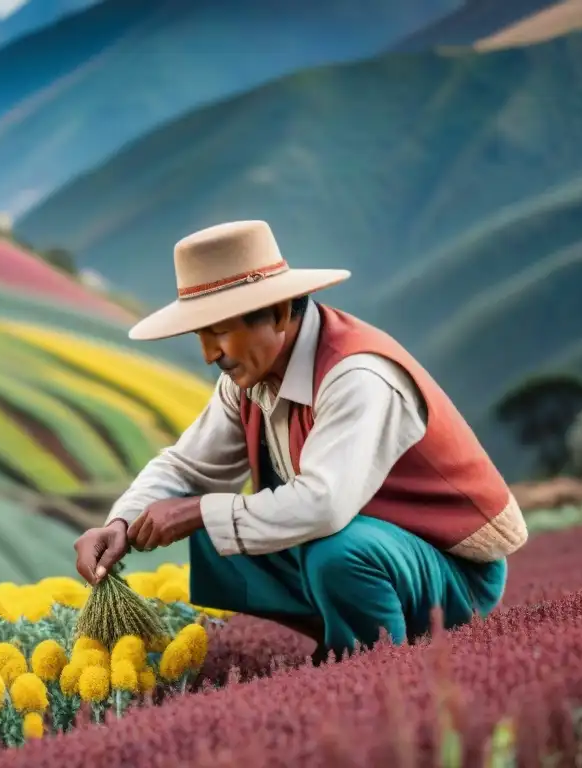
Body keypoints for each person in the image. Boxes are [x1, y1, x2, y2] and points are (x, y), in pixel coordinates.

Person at [73, 219, 528, 662]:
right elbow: (187, 467)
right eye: (201, 334)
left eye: (219, 331)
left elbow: (324, 504)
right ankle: (339, 639)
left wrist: (198, 511)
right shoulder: (249, 379)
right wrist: (121, 524)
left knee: (330, 551)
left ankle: (377, 662)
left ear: (275, 314)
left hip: (454, 573)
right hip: (375, 548)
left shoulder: (356, 375)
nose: (210, 354)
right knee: (216, 539)